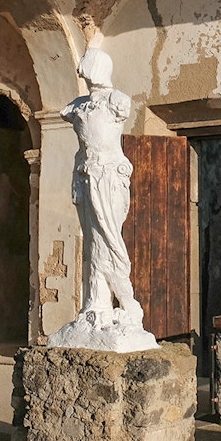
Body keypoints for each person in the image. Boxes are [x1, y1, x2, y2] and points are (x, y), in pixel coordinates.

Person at [60, 48, 145, 328]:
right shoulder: (76, 106)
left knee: (107, 240)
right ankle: (96, 304)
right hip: (85, 175)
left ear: (97, 67)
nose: (80, 70)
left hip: (108, 176)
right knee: (91, 242)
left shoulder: (116, 101)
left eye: (85, 64)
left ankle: (126, 302)